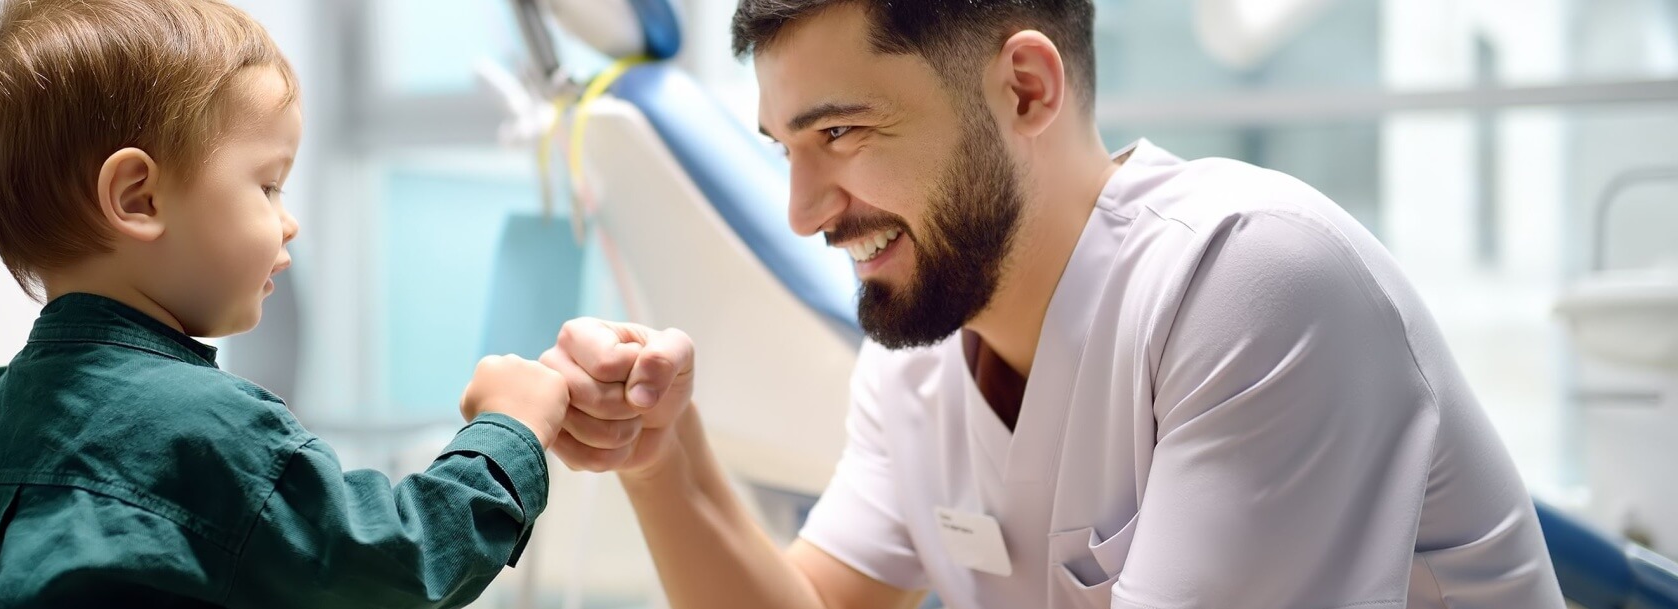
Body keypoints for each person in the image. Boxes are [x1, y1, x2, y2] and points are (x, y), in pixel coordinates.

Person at [541, 1, 1564, 608]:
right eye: (787, 152)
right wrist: (660, 461)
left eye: (843, 135)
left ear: (1026, 89)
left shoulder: (1253, 281)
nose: (805, 214)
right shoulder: (918, 354)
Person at [0, 1, 567, 606]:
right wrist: (508, 430)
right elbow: (400, 563)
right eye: (267, 186)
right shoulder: (213, 433)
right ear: (138, 198)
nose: (287, 221)